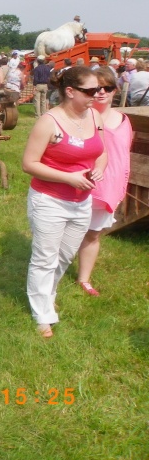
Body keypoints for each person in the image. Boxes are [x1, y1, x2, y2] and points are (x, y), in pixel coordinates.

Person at [22, 66, 107, 338]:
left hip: (81, 201)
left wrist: (100, 168)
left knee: (64, 256)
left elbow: (101, 151)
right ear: (70, 92)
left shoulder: (94, 115)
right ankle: (42, 314)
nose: (98, 94)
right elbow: (28, 164)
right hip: (49, 200)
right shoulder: (49, 122)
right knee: (45, 258)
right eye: (91, 90)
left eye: (101, 89)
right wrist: (68, 178)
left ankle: (47, 296)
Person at [76, 68, 133, 296]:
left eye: (106, 88)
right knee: (67, 233)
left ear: (114, 91)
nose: (100, 92)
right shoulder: (81, 118)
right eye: (95, 88)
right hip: (82, 185)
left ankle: (84, 279)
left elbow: (124, 157)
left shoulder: (124, 120)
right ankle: (50, 277)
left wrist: (121, 186)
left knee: (93, 233)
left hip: (108, 188)